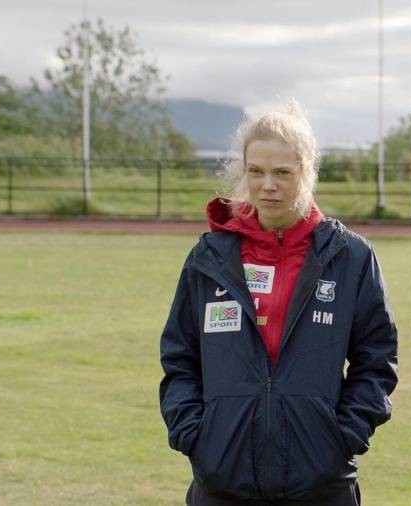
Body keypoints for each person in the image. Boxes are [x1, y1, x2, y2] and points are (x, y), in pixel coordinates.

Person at [159, 101, 398, 506]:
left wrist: (343, 438)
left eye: (282, 173)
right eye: (256, 171)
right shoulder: (209, 259)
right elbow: (180, 358)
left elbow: (376, 360)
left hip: (321, 483)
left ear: (307, 172)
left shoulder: (351, 257)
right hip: (222, 481)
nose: (267, 184)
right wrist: (196, 437)